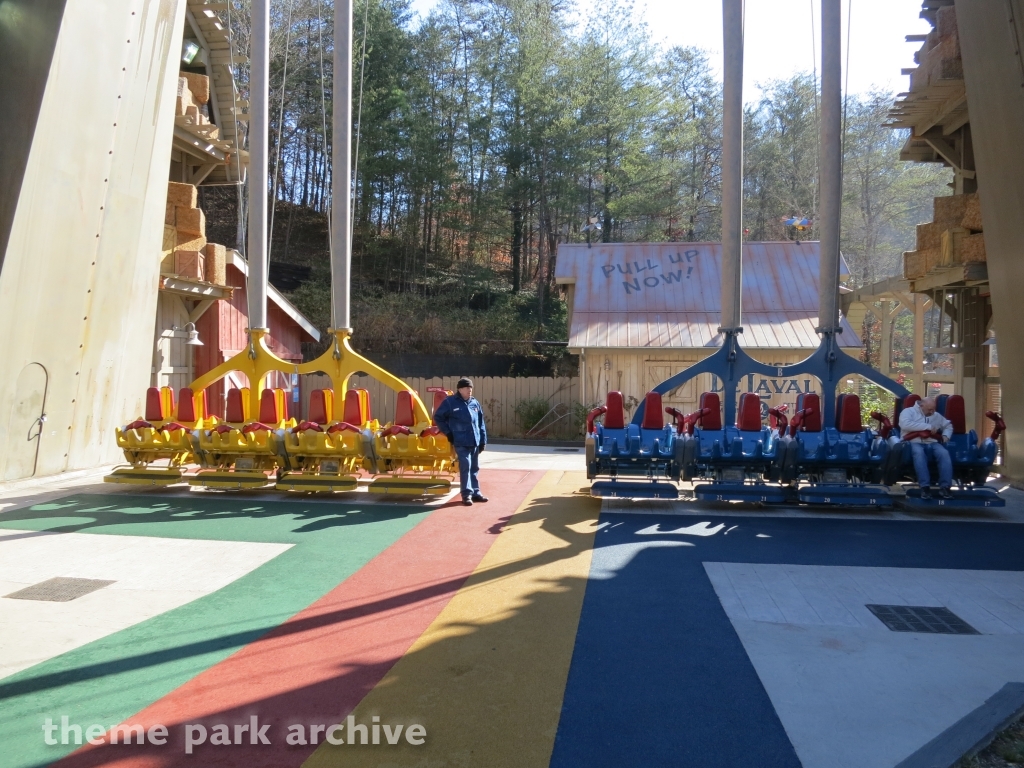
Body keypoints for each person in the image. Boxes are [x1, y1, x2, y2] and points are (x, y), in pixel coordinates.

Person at [434, 378, 488, 506]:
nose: (469, 390)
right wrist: (448, 433)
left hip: (474, 441)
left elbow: (480, 423)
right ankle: (466, 494)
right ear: (460, 389)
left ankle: (476, 492)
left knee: (474, 467)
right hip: (460, 441)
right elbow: (438, 417)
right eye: (467, 388)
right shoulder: (450, 402)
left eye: (471, 388)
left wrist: (483, 440)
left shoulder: (474, 403)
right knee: (465, 466)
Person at [898, 396, 954, 499]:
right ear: (921, 406)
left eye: (933, 409)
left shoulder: (936, 415)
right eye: (929, 409)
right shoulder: (908, 412)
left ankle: (945, 487)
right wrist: (927, 427)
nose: (932, 411)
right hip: (913, 442)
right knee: (919, 453)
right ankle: (925, 487)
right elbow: (905, 425)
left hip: (932, 442)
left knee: (944, 453)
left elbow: (948, 426)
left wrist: (946, 436)